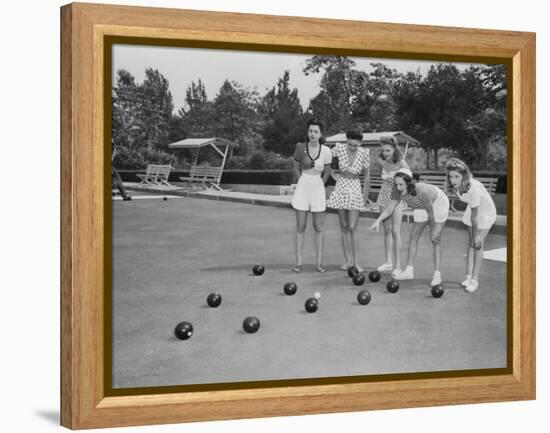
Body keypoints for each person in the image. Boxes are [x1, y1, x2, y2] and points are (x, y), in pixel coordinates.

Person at [369, 168, 449, 286]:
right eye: (396, 184)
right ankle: (409, 271)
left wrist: (433, 232)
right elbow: (391, 208)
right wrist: (378, 220)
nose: (398, 187)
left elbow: (431, 214)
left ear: (408, 182)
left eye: (401, 184)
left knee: (435, 239)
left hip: (438, 204)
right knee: (413, 236)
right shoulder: (396, 190)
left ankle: (437, 275)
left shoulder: (422, 191)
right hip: (421, 206)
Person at [445, 158, 497, 293]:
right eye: (451, 176)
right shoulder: (456, 186)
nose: (453, 179)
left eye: (457, 176)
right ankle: (468, 276)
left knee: (478, 243)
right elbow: (471, 209)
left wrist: (476, 235)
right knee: (471, 243)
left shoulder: (473, 187)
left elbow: (476, 215)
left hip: (485, 212)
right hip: (472, 210)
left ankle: (475, 279)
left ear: (464, 175)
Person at [291, 118, 332, 272]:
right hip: (303, 185)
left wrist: (320, 183)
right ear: (307, 132)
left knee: (318, 226)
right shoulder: (300, 147)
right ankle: (299, 262)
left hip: (318, 186)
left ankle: (319, 263)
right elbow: (295, 167)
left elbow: (327, 172)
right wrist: (301, 180)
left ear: (321, 134)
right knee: (301, 226)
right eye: (310, 131)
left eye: (316, 131)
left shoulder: (327, 151)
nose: (312, 134)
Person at [326, 129, 370, 271]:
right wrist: (334, 176)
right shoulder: (338, 149)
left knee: (352, 226)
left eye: (355, 145)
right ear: (347, 140)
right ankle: (348, 261)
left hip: (355, 188)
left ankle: (356, 263)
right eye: (350, 144)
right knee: (344, 226)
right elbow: (329, 165)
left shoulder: (364, 153)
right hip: (341, 187)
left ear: (360, 143)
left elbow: (367, 176)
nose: (352, 147)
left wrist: (364, 196)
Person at [375, 136, 409, 275]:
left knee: (396, 231)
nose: (385, 153)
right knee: (387, 230)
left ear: (394, 148)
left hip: (397, 197)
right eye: (383, 150)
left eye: (388, 150)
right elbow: (385, 181)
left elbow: (409, 182)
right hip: (383, 196)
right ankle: (388, 262)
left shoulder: (402, 164)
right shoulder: (381, 161)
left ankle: (398, 266)